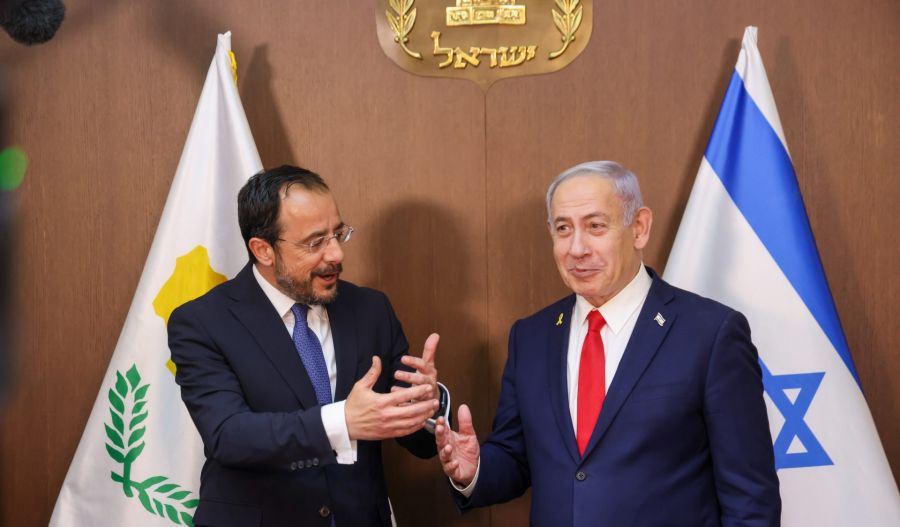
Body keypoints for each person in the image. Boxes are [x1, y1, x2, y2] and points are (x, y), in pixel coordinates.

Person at [435, 161, 781, 526]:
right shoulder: (532, 337)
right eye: (563, 229)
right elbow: (517, 457)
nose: (577, 248)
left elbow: (750, 500)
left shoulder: (710, 333)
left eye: (595, 226)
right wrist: (474, 470)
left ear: (639, 228)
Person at [168, 165, 449, 527]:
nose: (336, 255)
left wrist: (425, 404)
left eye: (338, 234)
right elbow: (228, 435)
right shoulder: (203, 322)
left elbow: (419, 443)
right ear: (263, 250)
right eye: (315, 243)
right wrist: (341, 421)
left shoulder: (371, 309)